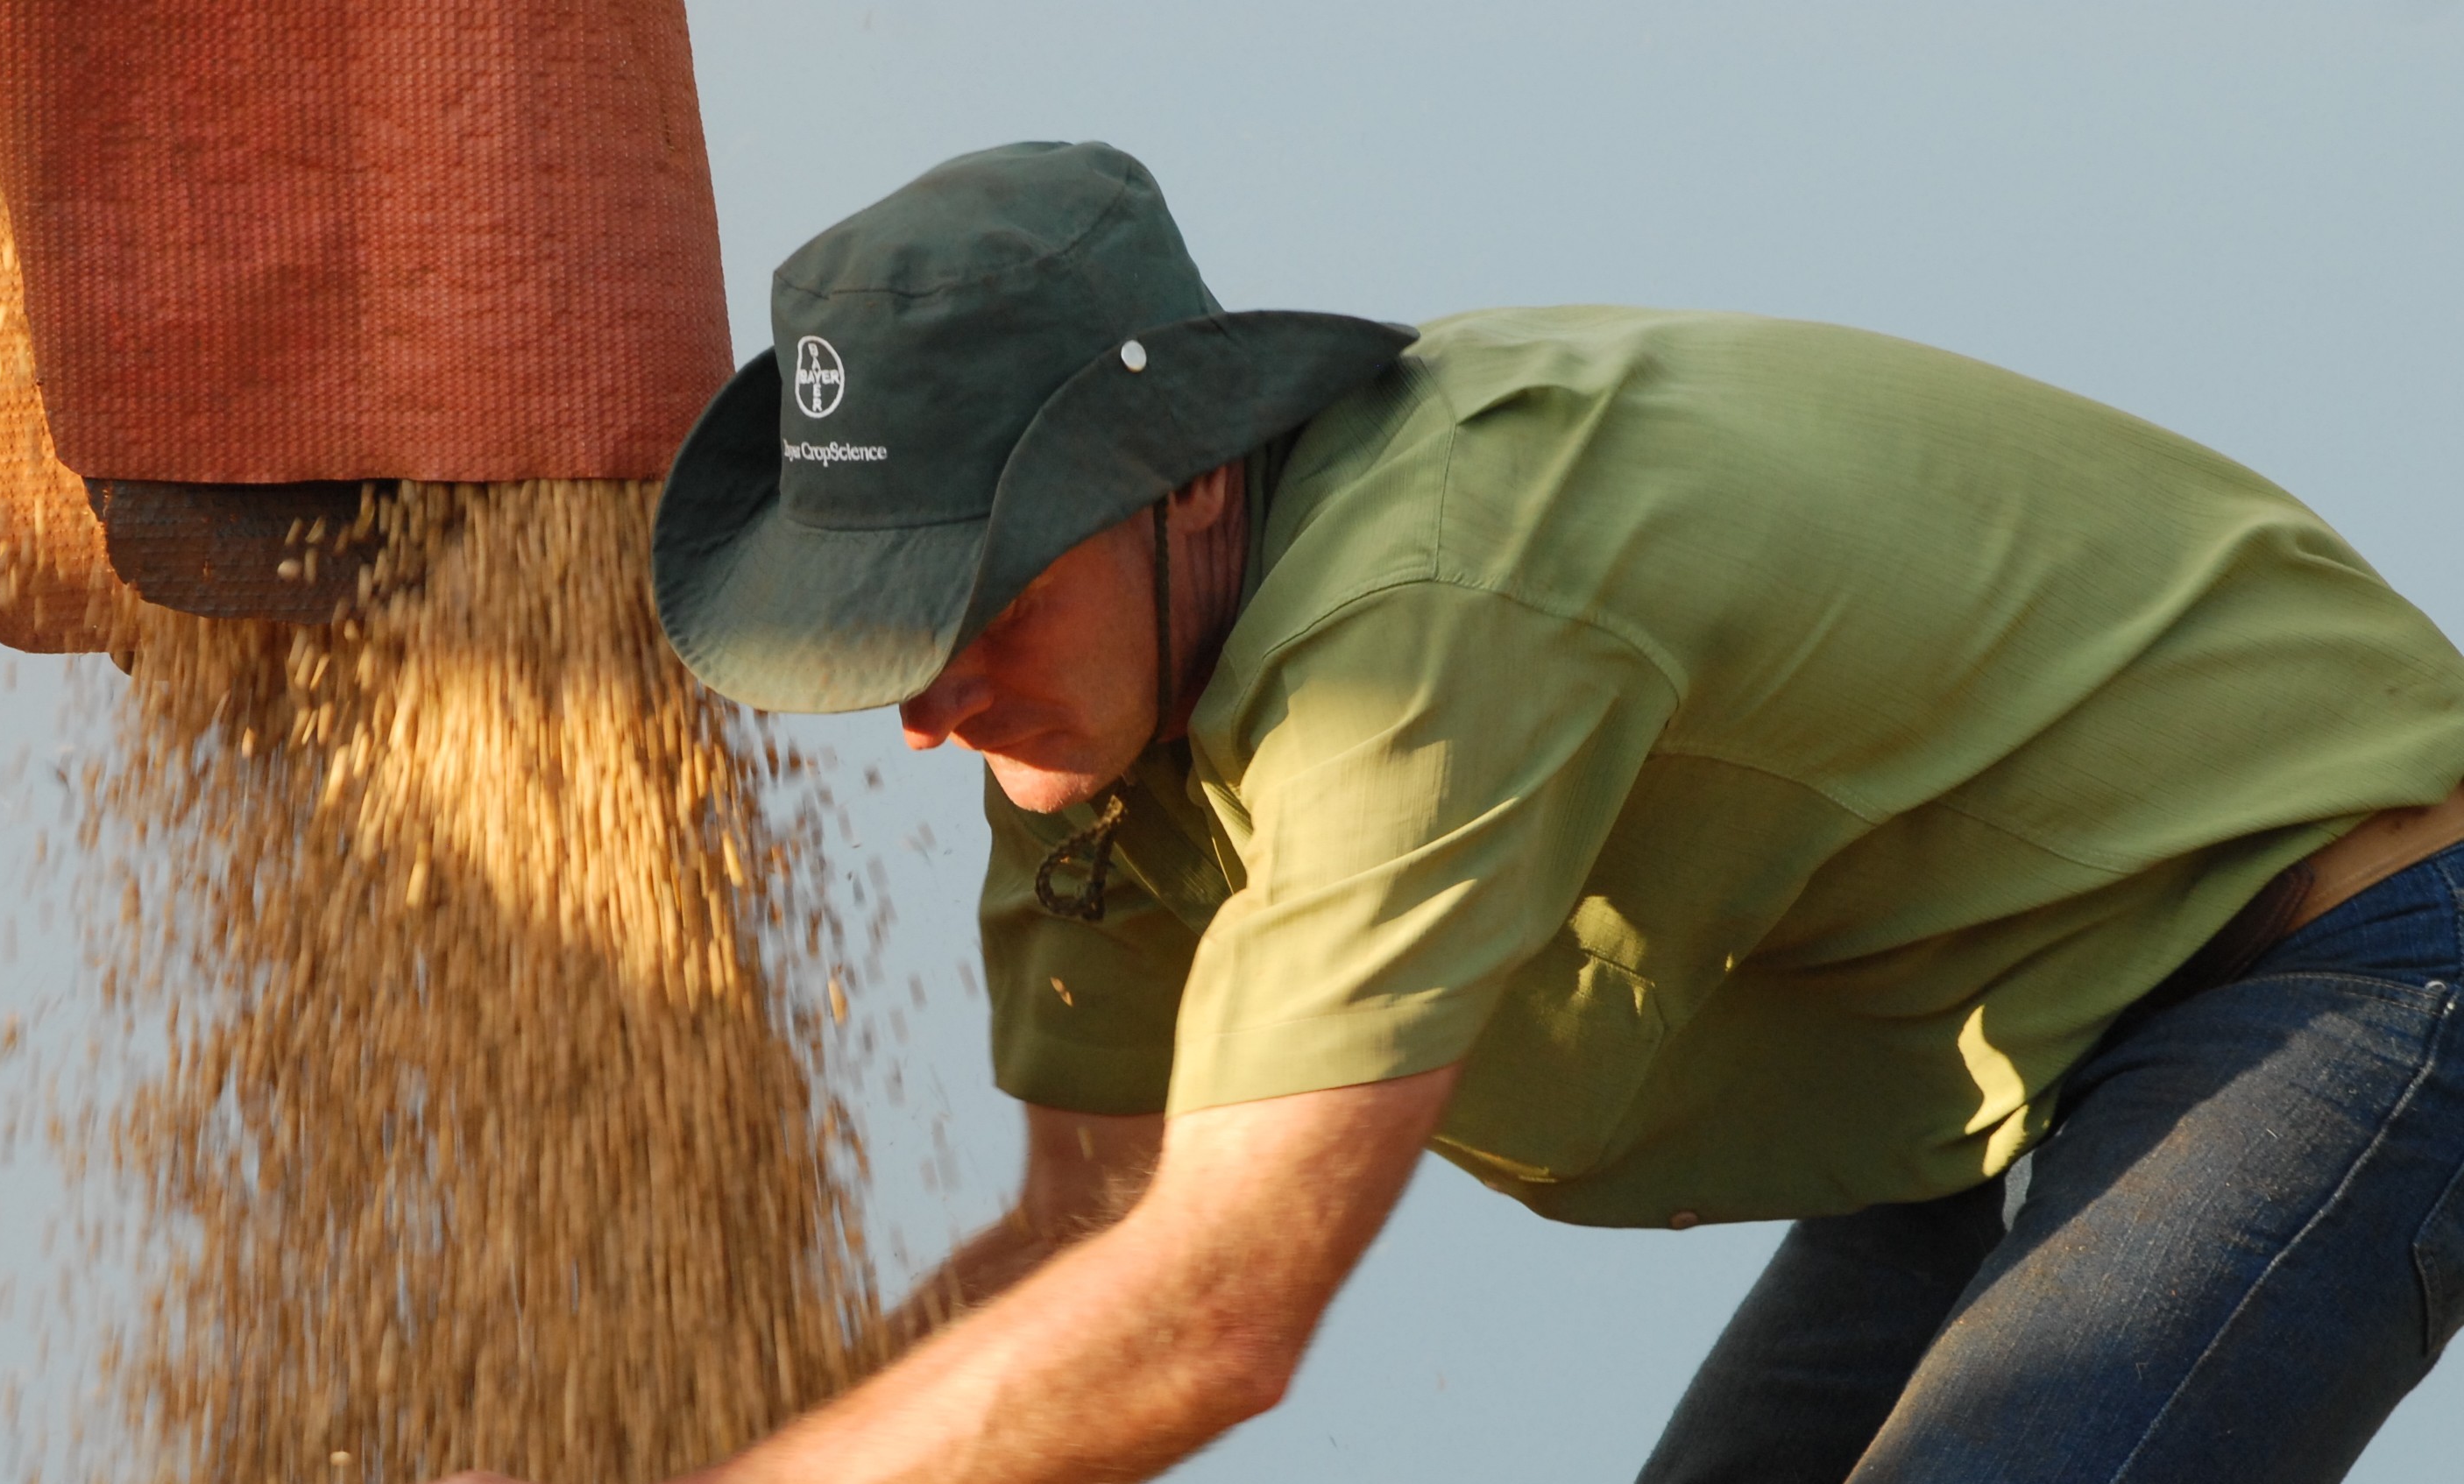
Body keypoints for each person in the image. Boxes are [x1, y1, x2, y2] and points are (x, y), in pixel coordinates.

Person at [616, 141, 2464, 1482]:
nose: (925, 713)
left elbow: (1204, 1319)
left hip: (2336, 947)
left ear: (1171, 483)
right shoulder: (1086, 726)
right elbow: (1088, 1247)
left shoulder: (1410, 628)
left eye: (974, 602)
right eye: (880, 643)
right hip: (1996, 1032)